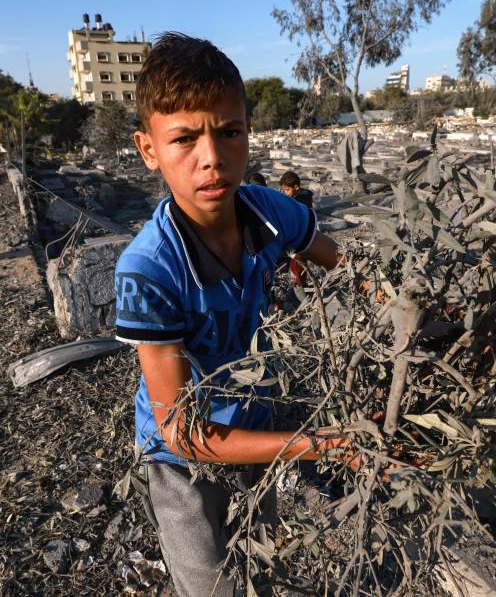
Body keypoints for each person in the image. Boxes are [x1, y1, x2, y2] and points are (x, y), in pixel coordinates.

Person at [113, 33, 354, 597]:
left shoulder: (266, 211)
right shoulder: (148, 270)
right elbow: (183, 430)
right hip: (182, 459)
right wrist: (312, 441)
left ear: (248, 133)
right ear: (148, 150)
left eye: (229, 132)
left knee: (266, 559)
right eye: (184, 139)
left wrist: (401, 300)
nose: (212, 158)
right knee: (209, 583)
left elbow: (346, 269)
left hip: (258, 423)